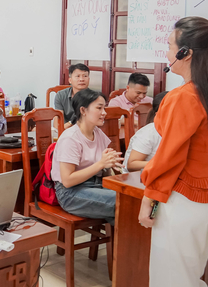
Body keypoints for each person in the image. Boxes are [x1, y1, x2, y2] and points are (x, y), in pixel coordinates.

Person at [138, 17, 208, 287]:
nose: (167, 53)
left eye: (170, 46)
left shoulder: (183, 97)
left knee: (171, 281)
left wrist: (149, 198)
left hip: (185, 203)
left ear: (186, 53)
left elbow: (169, 156)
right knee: (189, 278)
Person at [51, 89, 122, 225]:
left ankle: (126, 246)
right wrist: (101, 164)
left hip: (96, 185)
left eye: (104, 108)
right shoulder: (70, 138)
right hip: (70, 193)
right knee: (126, 203)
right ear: (83, 110)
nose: (104, 113)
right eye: (99, 108)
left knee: (130, 201)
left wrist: (109, 166)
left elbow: (104, 172)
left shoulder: (98, 133)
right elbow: (67, 181)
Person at [123, 91, 168, 173]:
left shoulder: (180, 130)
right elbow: (131, 165)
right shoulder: (149, 132)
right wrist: (163, 165)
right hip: (136, 178)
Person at [54, 63, 90, 129]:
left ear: (89, 79)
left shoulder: (94, 97)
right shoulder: (60, 95)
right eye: (77, 76)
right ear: (70, 80)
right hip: (64, 131)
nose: (81, 79)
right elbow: (57, 124)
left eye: (85, 76)